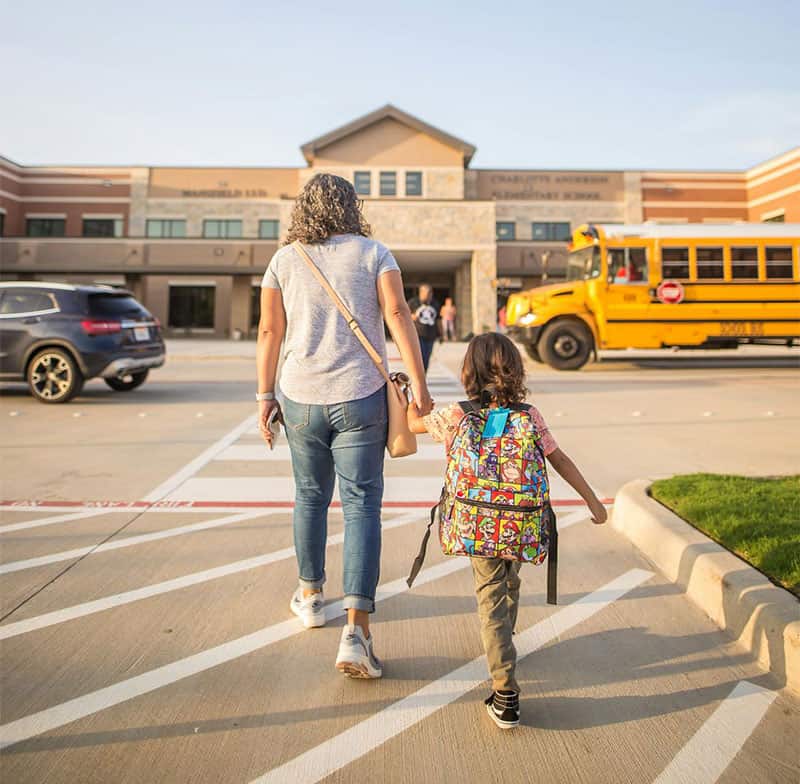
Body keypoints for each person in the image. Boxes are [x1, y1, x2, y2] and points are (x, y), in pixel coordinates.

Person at [256, 173, 432, 679]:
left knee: (309, 496)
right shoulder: (375, 252)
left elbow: (270, 330)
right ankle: (356, 632)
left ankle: (310, 596)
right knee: (361, 508)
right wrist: (417, 384)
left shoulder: (284, 259)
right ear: (351, 206)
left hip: (300, 397)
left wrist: (265, 396)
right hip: (361, 397)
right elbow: (398, 313)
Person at [407, 332, 607, 726]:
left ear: (469, 371)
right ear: (516, 371)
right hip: (520, 523)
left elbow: (412, 424)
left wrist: (406, 398)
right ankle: (505, 643)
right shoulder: (529, 415)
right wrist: (592, 500)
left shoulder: (457, 415)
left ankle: (505, 690)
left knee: (490, 598)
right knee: (509, 582)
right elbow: (559, 459)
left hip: (478, 524)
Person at [408, 284, 439, 371]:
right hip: (417, 335)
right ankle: (419, 376)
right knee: (419, 357)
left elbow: (438, 319)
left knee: (426, 357)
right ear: (421, 293)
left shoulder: (435, 303)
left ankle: (423, 375)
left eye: (430, 293)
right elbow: (403, 316)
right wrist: (412, 316)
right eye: (427, 293)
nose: (429, 295)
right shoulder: (413, 302)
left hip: (431, 335)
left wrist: (441, 334)